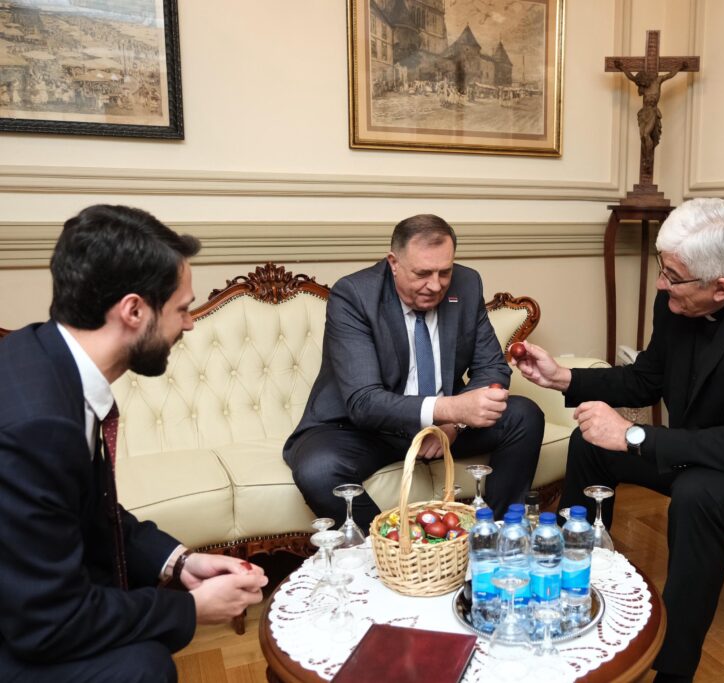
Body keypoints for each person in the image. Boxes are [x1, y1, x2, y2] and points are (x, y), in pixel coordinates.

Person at [515, 198, 724, 683]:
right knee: (591, 443)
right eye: (662, 268)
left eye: (671, 276)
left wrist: (631, 434)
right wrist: (565, 378)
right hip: (712, 452)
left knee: (698, 495)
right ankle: (572, 592)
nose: (660, 284)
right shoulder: (679, 296)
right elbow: (647, 378)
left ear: (721, 287)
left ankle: (670, 672)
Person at [0, 205, 268, 682]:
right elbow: (48, 622)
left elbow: (90, 510)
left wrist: (179, 563)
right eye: (182, 309)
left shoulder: (41, 354)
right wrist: (190, 609)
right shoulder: (38, 428)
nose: (189, 324)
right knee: (143, 667)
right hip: (22, 623)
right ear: (134, 310)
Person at [284, 214, 544, 531]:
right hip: (364, 430)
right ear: (394, 263)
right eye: (422, 273)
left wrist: (454, 424)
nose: (435, 285)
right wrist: (451, 408)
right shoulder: (354, 295)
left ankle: (497, 535)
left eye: (444, 272)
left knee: (524, 415)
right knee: (318, 469)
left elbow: (492, 368)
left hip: (444, 426)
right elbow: (364, 401)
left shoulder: (467, 284)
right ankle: (389, 546)